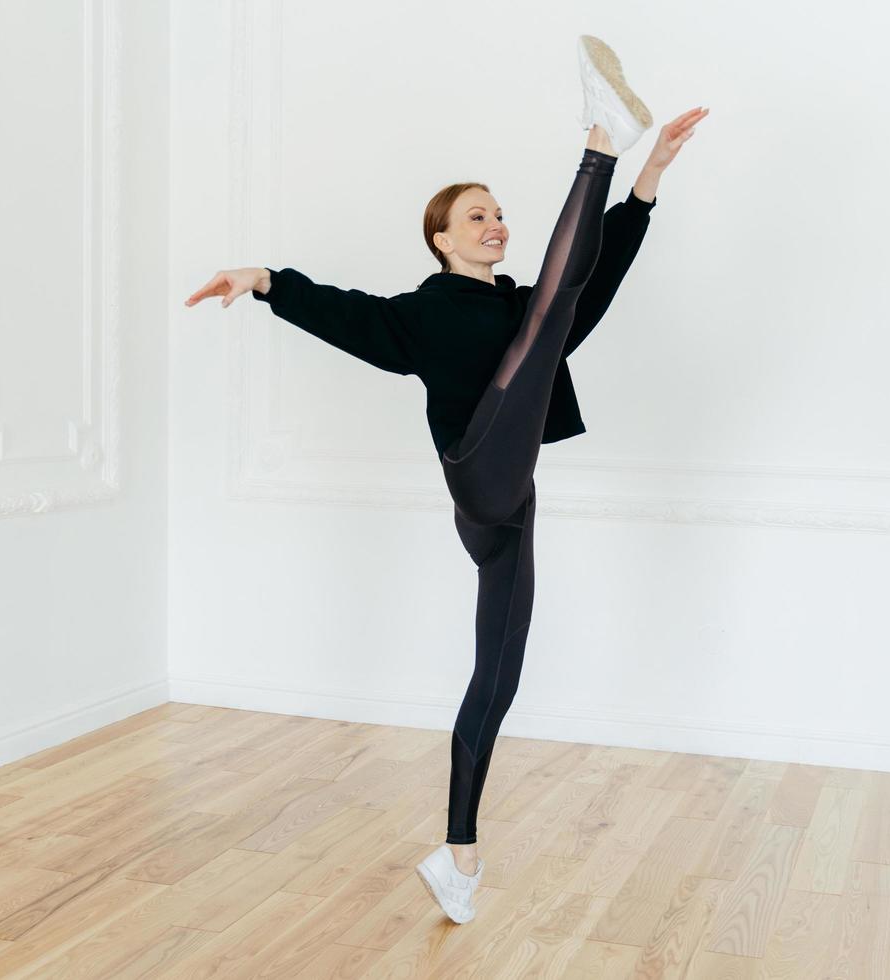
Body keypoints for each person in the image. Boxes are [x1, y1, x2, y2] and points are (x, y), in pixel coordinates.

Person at [186, 34, 706, 924]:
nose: (494, 223)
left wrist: (650, 179)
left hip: (509, 507)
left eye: (498, 213)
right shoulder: (422, 317)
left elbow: (590, 279)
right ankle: (597, 135)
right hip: (478, 476)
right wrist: (268, 280)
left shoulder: (519, 310)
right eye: (476, 216)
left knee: (497, 674)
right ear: (439, 239)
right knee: (549, 312)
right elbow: (344, 313)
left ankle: (457, 857)